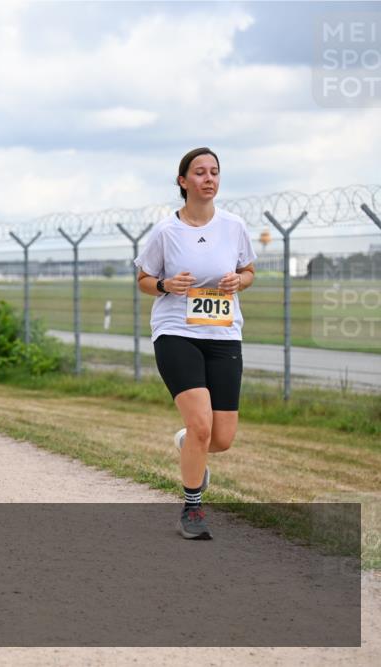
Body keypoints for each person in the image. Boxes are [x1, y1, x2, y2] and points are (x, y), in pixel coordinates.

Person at [134, 147, 257, 540]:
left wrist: (240, 281)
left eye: (215, 172)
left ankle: (189, 444)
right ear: (183, 182)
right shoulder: (166, 231)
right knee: (202, 424)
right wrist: (167, 285)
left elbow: (249, 270)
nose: (209, 178)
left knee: (220, 438)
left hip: (223, 334)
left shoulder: (234, 226)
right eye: (200, 172)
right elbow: (143, 280)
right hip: (176, 333)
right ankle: (192, 509)